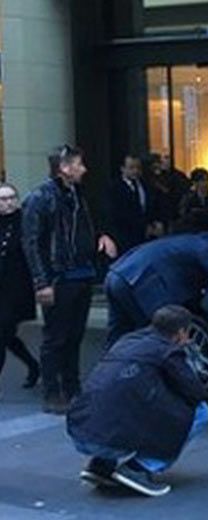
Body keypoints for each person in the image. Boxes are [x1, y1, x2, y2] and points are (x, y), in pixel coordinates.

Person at [67, 305, 208, 497]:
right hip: (110, 437)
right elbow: (195, 392)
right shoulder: (168, 351)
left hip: (82, 428)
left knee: (121, 400)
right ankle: (140, 468)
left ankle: (100, 464)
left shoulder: (127, 340)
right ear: (181, 332)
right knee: (201, 411)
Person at [21, 145, 118, 414]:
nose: (83, 169)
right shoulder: (41, 198)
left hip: (80, 273)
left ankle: (73, 388)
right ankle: (53, 392)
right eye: (79, 164)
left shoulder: (75, 195)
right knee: (56, 337)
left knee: (73, 335)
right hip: (59, 276)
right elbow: (31, 243)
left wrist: (100, 236)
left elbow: (82, 228)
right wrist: (42, 282)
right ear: (64, 168)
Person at [0, 183, 40, 389]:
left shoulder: (25, 221)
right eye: (2, 199)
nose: (7, 203)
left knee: (2, 333)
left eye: (11, 198)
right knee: (6, 336)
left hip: (16, 289)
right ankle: (33, 365)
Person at [106, 154, 162, 255]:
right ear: (122, 169)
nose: (135, 171)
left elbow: (152, 207)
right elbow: (118, 215)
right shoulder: (115, 188)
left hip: (146, 240)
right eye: (131, 168)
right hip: (126, 240)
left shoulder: (146, 185)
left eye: (138, 168)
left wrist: (155, 222)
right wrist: (143, 227)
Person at [144, 154, 190, 234]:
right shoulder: (150, 178)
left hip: (173, 214)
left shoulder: (177, 176)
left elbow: (182, 193)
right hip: (160, 215)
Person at [177, 168, 208, 233]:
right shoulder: (187, 198)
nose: (206, 183)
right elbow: (184, 216)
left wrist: (196, 212)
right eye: (202, 180)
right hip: (192, 232)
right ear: (195, 183)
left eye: (207, 180)